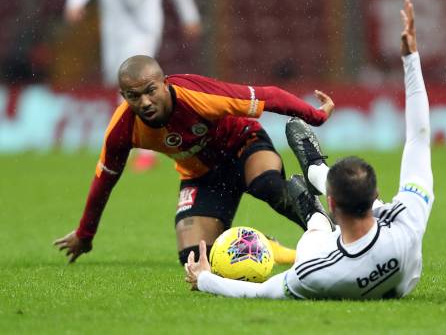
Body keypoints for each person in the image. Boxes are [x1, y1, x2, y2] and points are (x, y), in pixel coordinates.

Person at [185, 0, 435, 300]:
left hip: (338, 250)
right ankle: (317, 169)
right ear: (375, 197)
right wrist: (411, 58)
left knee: (315, 233)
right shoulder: (407, 221)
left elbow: (263, 291)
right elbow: (419, 138)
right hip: (399, 275)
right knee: (358, 207)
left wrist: (204, 279)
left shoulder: (317, 271)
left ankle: (311, 206)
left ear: (331, 204)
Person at [53, 55, 335, 265]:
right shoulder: (122, 128)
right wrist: (85, 235)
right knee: (193, 257)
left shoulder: (197, 93)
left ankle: (329, 234)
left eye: (151, 90)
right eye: (134, 96)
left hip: (243, 145)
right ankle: (273, 251)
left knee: (268, 186)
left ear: (164, 84)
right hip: (201, 176)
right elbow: (105, 180)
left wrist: (317, 116)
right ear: (123, 96)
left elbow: (269, 96)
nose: (145, 102)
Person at [64, 0, 203, 172]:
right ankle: (130, 143)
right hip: (114, 29)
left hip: (144, 28)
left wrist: (189, 16)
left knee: (136, 81)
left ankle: (145, 152)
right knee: (121, 85)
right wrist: (75, 2)